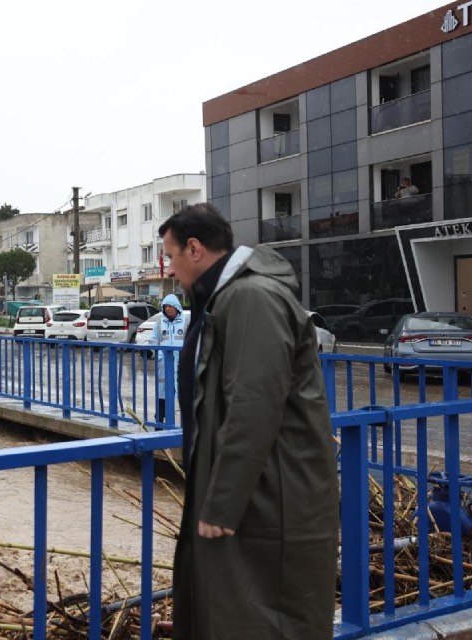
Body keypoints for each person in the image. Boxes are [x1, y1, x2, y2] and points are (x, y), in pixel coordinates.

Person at [158, 203, 337, 639]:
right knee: (234, 610)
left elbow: (254, 403)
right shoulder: (227, 297)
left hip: (269, 496)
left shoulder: (249, 298)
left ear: (195, 249)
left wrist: (221, 501)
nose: (167, 267)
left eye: (170, 254)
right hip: (258, 491)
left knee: (261, 615)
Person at [150, 293, 188, 423]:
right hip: (164, 365)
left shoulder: (186, 322)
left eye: (170, 306)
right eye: (165, 307)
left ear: (176, 307)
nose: (168, 309)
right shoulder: (159, 323)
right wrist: (154, 353)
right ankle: (159, 422)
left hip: (182, 364)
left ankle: (186, 425)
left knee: (185, 394)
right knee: (163, 394)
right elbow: (153, 341)